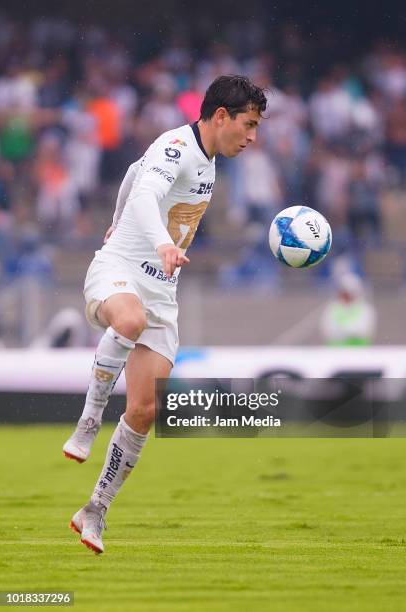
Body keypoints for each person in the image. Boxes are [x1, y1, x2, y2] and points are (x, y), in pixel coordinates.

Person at [62, 75, 267, 554]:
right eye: (249, 124)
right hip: (120, 272)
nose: (253, 137)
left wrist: (115, 220)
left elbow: (132, 175)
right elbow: (145, 193)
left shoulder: (209, 163)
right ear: (222, 116)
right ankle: (88, 422)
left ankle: (95, 509)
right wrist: (150, 240)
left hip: (162, 294)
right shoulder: (175, 146)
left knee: (145, 409)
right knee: (127, 320)